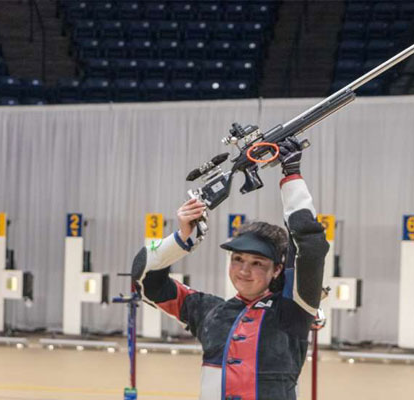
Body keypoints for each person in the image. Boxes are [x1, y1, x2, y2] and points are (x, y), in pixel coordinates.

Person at [132, 138, 329, 400]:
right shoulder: (209, 312)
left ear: (278, 270)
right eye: (238, 259)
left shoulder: (293, 311)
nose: (244, 271)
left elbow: (310, 245)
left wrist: (291, 177)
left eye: (257, 263)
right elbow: (144, 279)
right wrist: (182, 238)